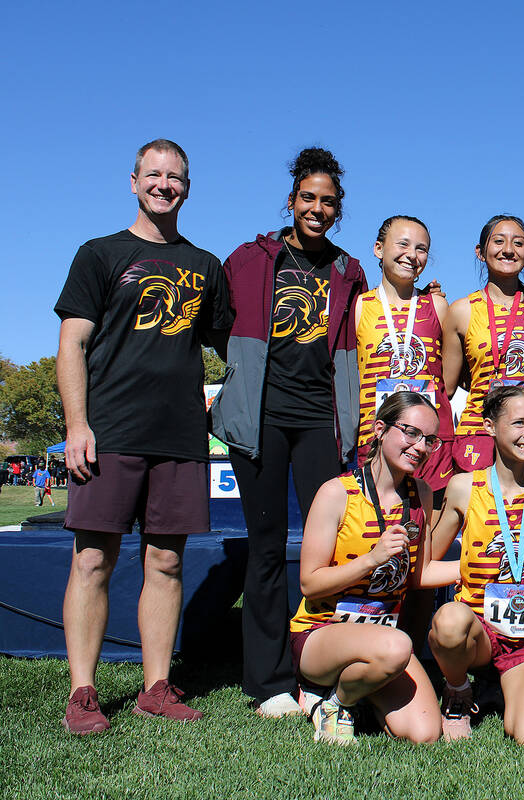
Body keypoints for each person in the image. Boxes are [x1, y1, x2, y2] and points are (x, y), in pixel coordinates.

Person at [55, 138, 231, 733]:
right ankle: (84, 692)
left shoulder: (205, 266)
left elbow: (233, 347)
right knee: (92, 562)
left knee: (166, 562)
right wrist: (77, 426)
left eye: (175, 176)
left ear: (187, 186)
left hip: (181, 437)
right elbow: (72, 344)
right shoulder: (99, 254)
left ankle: (156, 686)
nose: (164, 184)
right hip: (110, 432)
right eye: (153, 174)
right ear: (133, 182)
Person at [211, 147, 368, 718]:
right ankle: (270, 681)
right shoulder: (250, 259)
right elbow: (216, 327)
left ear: (338, 210)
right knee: (267, 547)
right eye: (309, 199)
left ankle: (321, 669)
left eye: (328, 202)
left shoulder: (349, 271)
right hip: (260, 421)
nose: (317, 209)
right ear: (291, 201)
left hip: (321, 422)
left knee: (328, 550)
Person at [289, 392, 457, 745]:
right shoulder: (336, 493)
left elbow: (420, 575)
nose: (420, 447)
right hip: (322, 632)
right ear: (380, 429)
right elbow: (309, 583)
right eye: (410, 433)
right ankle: (333, 702)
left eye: (429, 440)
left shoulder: (421, 493)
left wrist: (477, 567)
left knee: (424, 733)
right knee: (398, 646)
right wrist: (370, 558)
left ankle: (359, 689)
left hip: (381, 639)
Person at [426, 386, 524, 743]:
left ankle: (501, 686)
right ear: (490, 427)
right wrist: (467, 567)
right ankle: (458, 690)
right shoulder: (464, 487)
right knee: (449, 621)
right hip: (476, 630)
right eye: (519, 423)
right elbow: (429, 560)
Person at [442, 216, 524, 473]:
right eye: (499, 241)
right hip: (478, 430)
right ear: (480, 252)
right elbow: (447, 386)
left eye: (518, 243)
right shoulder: (461, 310)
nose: (508, 250)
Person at [354, 215, 454, 500]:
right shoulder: (360, 305)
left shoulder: (437, 305)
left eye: (421, 248)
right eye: (403, 244)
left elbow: (449, 377)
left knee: (427, 536)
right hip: (376, 438)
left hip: (428, 443)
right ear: (378, 249)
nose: (412, 254)